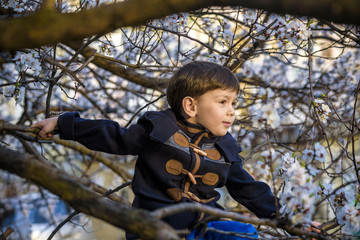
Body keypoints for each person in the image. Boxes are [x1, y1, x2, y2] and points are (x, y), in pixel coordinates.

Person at [32, 61, 278, 239]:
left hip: (202, 229)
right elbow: (113, 136)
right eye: (223, 102)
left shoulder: (226, 148)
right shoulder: (158, 130)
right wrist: (64, 124)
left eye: (234, 103)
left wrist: (289, 219)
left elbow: (250, 190)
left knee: (243, 233)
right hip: (152, 229)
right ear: (191, 106)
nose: (232, 111)